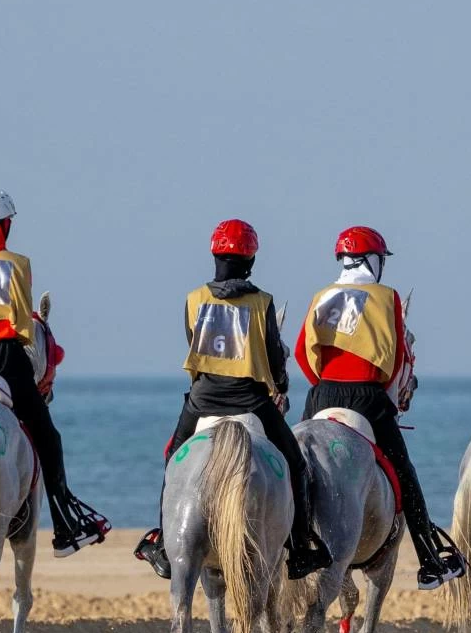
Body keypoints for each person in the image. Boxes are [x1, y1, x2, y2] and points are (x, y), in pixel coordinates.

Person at [135, 219, 333, 582]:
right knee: (295, 462)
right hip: (250, 400)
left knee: (172, 457)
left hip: (202, 398)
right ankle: (301, 544)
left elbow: (192, 343)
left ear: (214, 256)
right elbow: (274, 357)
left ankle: (163, 540)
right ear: (250, 260)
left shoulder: (194, 299)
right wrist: (282, 383)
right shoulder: (262, 302)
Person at [0, 188, 109, 558]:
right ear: (6, 224)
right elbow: (22, 321)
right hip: (5, 357)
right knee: (47, 436)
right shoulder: (18, 263)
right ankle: (66, 524)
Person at [295, 226, 466, 590]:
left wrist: (324, 384)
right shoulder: (387, 297)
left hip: (321, 395)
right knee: (405, 474)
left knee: (293, 467)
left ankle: (292, 544)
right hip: (367, 397)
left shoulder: (321, 296)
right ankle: (430, 559)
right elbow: (397, 357)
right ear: (372, 259)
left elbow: (300, 352)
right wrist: (380, 395)